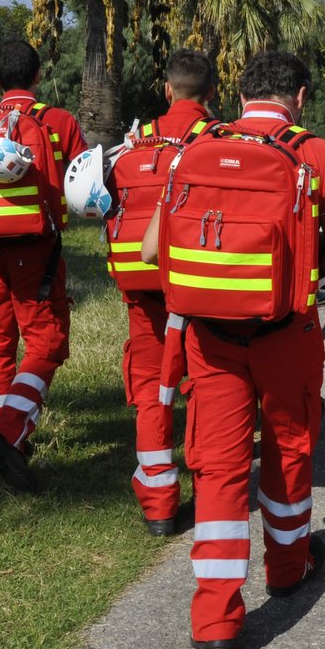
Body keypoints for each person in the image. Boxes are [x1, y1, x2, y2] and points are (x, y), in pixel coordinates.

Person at [163, 50, 325, 649]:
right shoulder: (320, 155)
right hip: (287, 333)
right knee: (288, 451)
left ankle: (215, 617)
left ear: (242, 95)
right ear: (298, 96)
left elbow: (152, 248)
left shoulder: (190, 150)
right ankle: (286, 565)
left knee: (219, 469)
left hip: (209, 338)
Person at [0, 40, 88, 492]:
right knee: (47, 343)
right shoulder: (58, 122)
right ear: (38, 77)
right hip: (37, 253)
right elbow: (82, 191)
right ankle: (6, 433)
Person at [111, 50, 217, 536]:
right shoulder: (217, 141)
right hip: (195, 283)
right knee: (204, 382)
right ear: (211, 94)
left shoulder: (135, 143)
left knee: (152, 386)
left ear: (168, 90)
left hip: (138, 279)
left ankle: (158, 501)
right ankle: (208, 485)